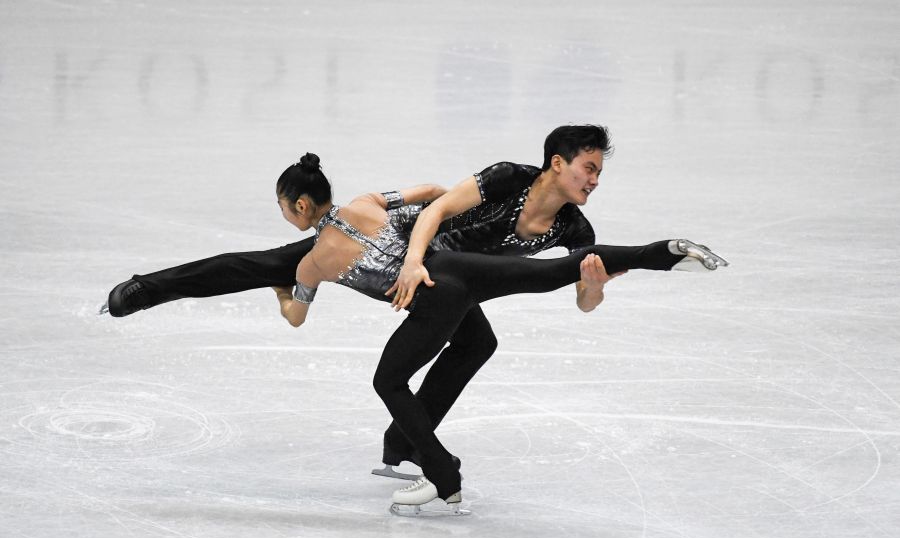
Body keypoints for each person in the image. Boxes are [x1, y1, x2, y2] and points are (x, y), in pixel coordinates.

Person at [101, 125, 727, 483]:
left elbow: (583, 298)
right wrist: (410, 253)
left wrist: (591, 281)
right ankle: (139, 291)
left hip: (456, 279)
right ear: (557, 164)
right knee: (253, 265)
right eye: (588, 169)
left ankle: (403, 443)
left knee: (480, 336)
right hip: (430, 263)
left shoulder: (576, 232)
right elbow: (433, 203)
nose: (595, 181)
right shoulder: (509, 176)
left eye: (598, 173)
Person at [271, 152, 721, 515]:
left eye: (282, 207)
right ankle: (664, 253)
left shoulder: (311, 264)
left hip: (436, 296)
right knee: (550, 274)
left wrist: (279, 287)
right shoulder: (367, 202)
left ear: (301, 206)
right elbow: (430, 194)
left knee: (387, 381)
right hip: (460, 268)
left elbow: (295, 316)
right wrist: (423, 235)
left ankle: (443, 475)